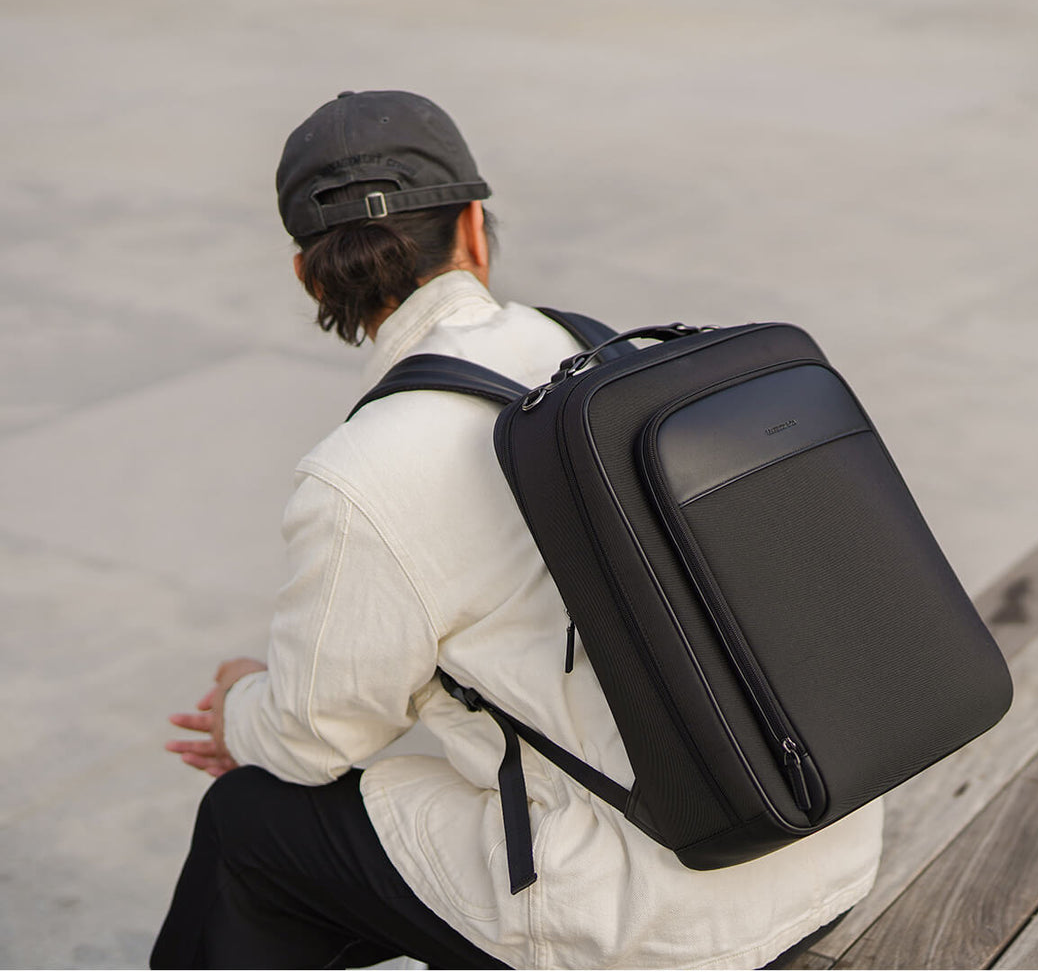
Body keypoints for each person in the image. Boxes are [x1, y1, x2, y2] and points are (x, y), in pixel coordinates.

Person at [151, 90, 884, 970]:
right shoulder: (615, 359)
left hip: (661, 926)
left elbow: (317, 740)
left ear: (308, 275)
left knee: (253, 825)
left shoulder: (361, 475)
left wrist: (241, 707)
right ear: (471, 229)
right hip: (824, 838)